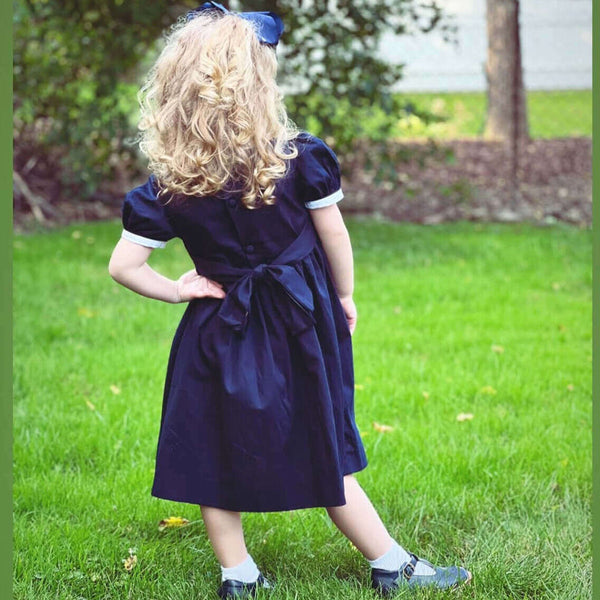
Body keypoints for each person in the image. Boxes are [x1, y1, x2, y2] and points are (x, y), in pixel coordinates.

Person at [108, 3, 471, 598]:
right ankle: (391, 566)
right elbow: (334, 234)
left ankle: (239, 576)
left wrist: (177, 288)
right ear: (259, 82)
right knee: (321, 436)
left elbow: (124, 266)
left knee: (213, 446)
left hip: (217, 324)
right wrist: (346, 294)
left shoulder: (169, 183)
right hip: (301, 320)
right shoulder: (296, 158)